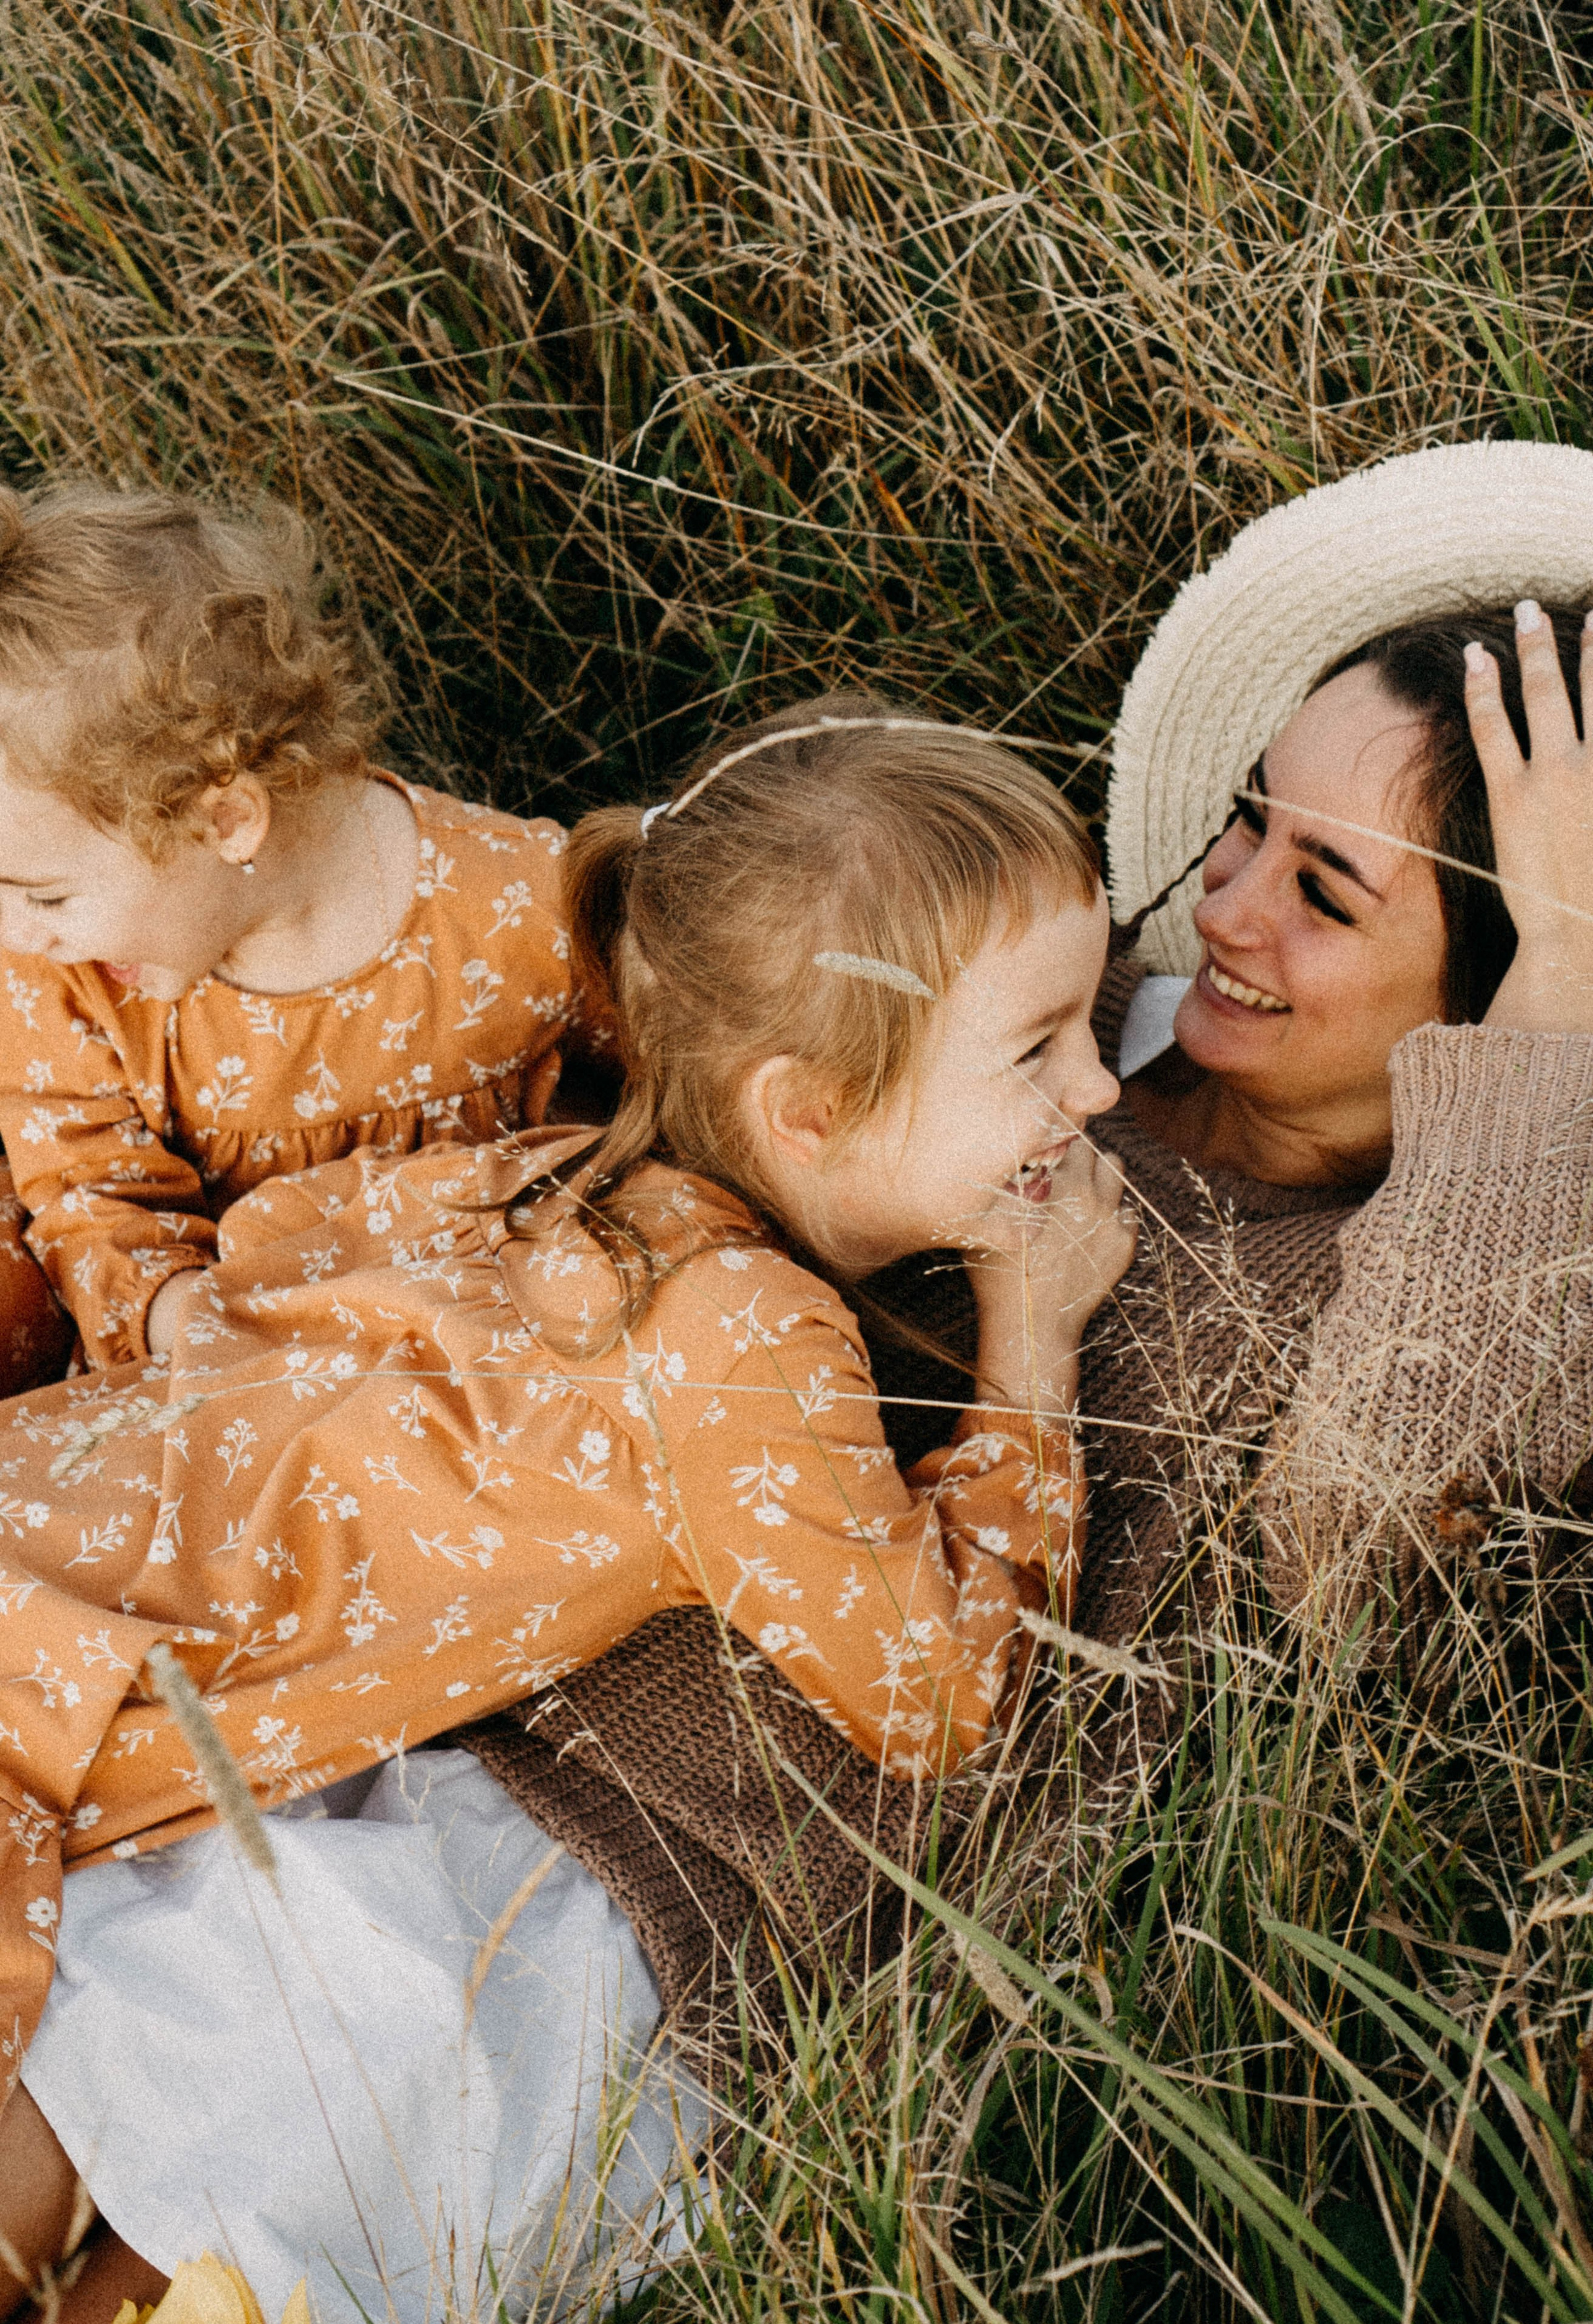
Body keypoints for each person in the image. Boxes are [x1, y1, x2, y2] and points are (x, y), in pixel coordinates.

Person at [0, 699, 1135, 2324]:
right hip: (56, 1694)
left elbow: (256, 1259)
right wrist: (1029, 1342)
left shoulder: (505, 1169)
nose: (1101, 1088)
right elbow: (937, 1701)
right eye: (1040, 1047)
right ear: (809, 1111)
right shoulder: (743, 1340)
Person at [455, 439, 1593, 2059]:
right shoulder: (1076, 995)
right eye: (1252, 819)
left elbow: (1356, 1543)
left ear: (1506, 1009)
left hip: (687, 1905)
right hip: (444, 1639)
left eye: (1325, 893)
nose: (1229, 905)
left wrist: (1569, 972)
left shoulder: (1449, 1291)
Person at [0, 481, 595, 1388]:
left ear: (230, 819)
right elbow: (88, 1197)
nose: (19, 933)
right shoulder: (74, 979)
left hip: (480, 1349)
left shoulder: (521, 908)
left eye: (44, 896)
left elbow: (670, 1103)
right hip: (225, 1368)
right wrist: (197, 1324)